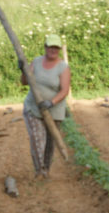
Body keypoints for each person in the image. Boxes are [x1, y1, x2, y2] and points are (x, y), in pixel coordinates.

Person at [21, 34, 72, 178]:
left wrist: (51, 102)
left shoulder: (63, 67)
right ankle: (40, 171)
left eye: (56, 47)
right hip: (34, 108)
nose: (53, 50)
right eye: (50, 47)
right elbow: (25, 82)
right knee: (38, 139)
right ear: (45, 47)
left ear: (59, 49)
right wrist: (23, 70)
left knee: (50, 143)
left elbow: (64, 90)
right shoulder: (36, 62)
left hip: (54, 110)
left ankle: (46, 170)